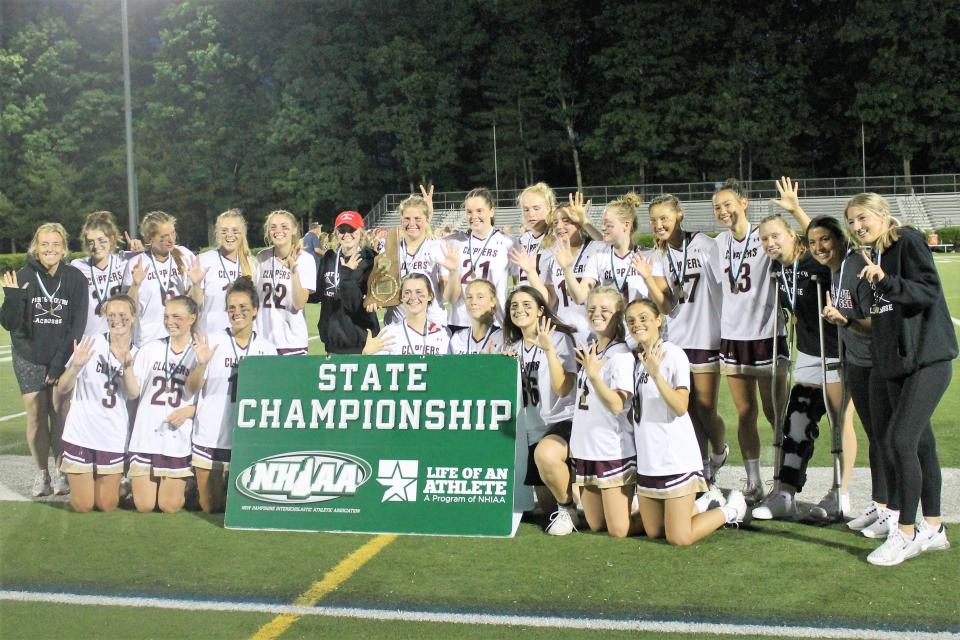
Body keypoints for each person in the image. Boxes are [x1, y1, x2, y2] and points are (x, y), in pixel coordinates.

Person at [844, 194, 956, 566]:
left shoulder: (905, 240)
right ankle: (935, 529)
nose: (857, 226)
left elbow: (928, 291)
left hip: (928, 359)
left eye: (863, 218)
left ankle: (905, 532)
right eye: (852, 222)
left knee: (900, 440)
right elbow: (886, 317)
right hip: (898, 364)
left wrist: (887, 280)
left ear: (882, 214)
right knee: (921, 445)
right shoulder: (872, 254)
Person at [750, 213, 852, 520]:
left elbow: (832, 244)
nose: (770, 243)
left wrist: (796, 209)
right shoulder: (777, 267)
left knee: (839, 421)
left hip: (837, 351)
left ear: (793, 236)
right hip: (808, 351)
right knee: (796, 417)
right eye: (764, 238)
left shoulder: (815, 261)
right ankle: (785, 493)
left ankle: (840, 493)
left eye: (775, 236)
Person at [712, 177, 808, 501]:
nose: (723, 211)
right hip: (733, 338)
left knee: (775, 413)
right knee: (745, 413)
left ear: (744, 202)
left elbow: (799, 249)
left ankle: (783, 482)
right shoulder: (718, 244)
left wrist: (794, 210)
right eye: (717, 207)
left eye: (728, 204)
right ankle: (753, 481)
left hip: (767, 335)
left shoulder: (765, 235)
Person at [624, 298, 747, 544]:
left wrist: (657, 375)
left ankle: (731, 510)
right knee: (655, 531)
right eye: (631, 321)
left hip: (675, 459)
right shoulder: (638, 359)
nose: (637, 324)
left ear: (659, 320)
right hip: (649, 460)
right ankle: (705, 503)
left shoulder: (674, 354)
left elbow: (681, 407)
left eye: (643, 318)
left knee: (679, 538)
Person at [634, 194, 727, 483]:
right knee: (687, 411)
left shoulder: (705, 245)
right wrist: (649, 278)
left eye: (664, 218)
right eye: (654, 220)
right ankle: (700, 466)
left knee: (707, 407)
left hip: (707, 336)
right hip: (678, 341)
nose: (659, 225)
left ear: (679, 216)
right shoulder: (659, 255)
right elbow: (668, 306)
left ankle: (720, 451)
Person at [2, 223, 89, 496]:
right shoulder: (24, 275)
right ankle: (42, 475)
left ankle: (61, 471)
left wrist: (57, 364)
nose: (49, 249)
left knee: (59, 414)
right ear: (36, 247)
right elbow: (10, 324)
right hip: (29, 356)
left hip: (61, 357)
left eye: (55, 244)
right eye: (44, 244)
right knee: (36, 415)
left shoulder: (75, 278)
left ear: (63, 248)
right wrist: (13, 299)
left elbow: (78, 325)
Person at [819, 217, 889, 534]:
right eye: (813, 242)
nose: (819, 247)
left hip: (878, 363)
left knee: (890, 439)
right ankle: (881, 504)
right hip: (857, 362)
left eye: (826, 240)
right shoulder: (834, 266)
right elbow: (818, 233)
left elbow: (877, 322)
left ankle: (896, 511)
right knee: (875, 437)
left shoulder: (854, 264)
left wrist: (844, 320)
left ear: (840, 239)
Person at [188, 277, 277, 513]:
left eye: (243, 308)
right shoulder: (213, 342)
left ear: (255, 310)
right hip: (211, 434)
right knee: (212, 507)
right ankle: (194, 486)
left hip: (247, 437)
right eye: (232, 308)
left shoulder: (267, 348)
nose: (237, 313)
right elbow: (192, 388)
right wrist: (200, 365)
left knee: (247, 506)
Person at [501, 286, 578, 535]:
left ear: (540, 310)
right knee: (545, 508)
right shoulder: (512, 346)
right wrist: (502, 367)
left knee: (546, 456)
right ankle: (574, 502)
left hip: (561, 421)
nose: (519, 309)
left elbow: (563, 388)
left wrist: (549, 350)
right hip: (531, 429)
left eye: (526, 304)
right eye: (514, 305)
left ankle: (570, 509)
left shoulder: (557, 338)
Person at [57, 294, 139, 512]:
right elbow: (62, 387)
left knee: (106, 504)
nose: (117, 319)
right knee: (82, 505)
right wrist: (75, 367)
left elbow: (133, 394)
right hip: (81, 433)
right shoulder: (91, 343)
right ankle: (76, 478)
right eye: (111, 315)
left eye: (122, 314)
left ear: (134, 316)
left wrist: (128, 367)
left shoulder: (139, 352)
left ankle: (122, 485)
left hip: (112, 435)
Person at [569, 286, 637, 537]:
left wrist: (595, 376)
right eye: (592, 309)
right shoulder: (593, 349)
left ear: (618, 315)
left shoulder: (621, 356)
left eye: (605, 310)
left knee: (618, 530)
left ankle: (695, 508)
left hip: (611, 449)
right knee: (597, 525)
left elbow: (618, 405)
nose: (597, 314)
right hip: (586, 449)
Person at [378, 187, 454, 329]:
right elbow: (382, 289)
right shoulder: (388, 250)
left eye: (417, 218)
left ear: (426, 220)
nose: (411, 223)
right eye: (407, 218)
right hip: (397, 328)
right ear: (401, 220)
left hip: (432, 327)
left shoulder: (437, 247)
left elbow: (447, 295)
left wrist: (453, 272)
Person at [536, 193, 606, 344]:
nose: (559, 226)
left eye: (566, 221)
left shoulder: (594, 248)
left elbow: (608, 244)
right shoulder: (551, 253)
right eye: (555, 223)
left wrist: (584, 220)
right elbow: (550, 298)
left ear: (578, 223)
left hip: (593, 333)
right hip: (564, 333)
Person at [444, 188, 517, 330]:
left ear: (491, 211)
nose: (474, 216)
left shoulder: (509, 243)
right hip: (460, 322)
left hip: (495, 322)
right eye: (469, 212)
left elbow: (519, 283)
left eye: (479, 210)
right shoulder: (454, 242)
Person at [123, 211, 195, 347]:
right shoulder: (137, 263)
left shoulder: (184, 255)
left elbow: (195, 302)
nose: (171, 239)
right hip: (148, 340)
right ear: (150, 239)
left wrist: (195, 284)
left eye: (173, 233)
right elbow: (127, 309)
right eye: (164, 236)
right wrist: (135, 285)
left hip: (180, 338)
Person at [567, 193, 649, 306]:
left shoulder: (647, 256)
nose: (603, 228)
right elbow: (580, 297)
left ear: (626, 225)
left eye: (609, 225)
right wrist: (566, 269)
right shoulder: (599, 257)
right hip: (610, 322)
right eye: (603, 223)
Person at [316, 210, 379, 354]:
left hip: (363, 344)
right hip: (333, 344)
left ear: (361, 232)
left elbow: (353, 304)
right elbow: (317, 294)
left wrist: (347, 274)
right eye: (342, 230)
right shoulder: (329, 259)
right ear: (336, 233)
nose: (347, 234)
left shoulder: (371, 260)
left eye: (352, 229)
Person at [254, 210, 316, 355]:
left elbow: (299, 303)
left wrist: (293, 271)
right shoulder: (261, 257)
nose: (278, 231)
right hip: (263, 342)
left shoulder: (305, 259)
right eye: (273, 227)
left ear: (294, 230)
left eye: (284, 226)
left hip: (292, 343)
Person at [71, 211, 138, 337]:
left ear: (112, 239)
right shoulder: (78, 266)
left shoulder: (125, 262)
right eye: (91, 242)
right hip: (89, 338)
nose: (96, 246)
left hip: (120, 334)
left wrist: (141, 250)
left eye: (101, 240)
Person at [188, 208, 255, 336]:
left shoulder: (252, 264)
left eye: (235, 231)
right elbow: (195, 305)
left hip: (242, 337)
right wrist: (196, 285)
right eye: (224, 231)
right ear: (217, 233)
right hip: (210, 336)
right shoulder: (204, 261)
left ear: (243, 233)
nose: (229, 235)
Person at [363, 274, 449, 355]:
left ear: (430, 296)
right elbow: (374, 368)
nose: (413, 297)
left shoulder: (444, 333)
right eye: (407, 292)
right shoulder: (389, 333)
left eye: (419, 292)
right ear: (401, 297)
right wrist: (366, 355)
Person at [510, 182, 554, 286]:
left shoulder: (557, 237)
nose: (531, 214)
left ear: (549, 208)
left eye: (536, 208)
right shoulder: (521, 241)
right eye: (526, 209)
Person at [448, 279, 503, 355]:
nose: (473, 302)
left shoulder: (503, 338)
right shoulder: (457, 338)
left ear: (493, 302)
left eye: (480, 297)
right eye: (469, 297)